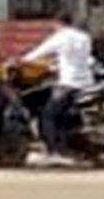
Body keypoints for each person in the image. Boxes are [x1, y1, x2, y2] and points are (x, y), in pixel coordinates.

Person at [23, 11, 94, 164]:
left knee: (47, 115)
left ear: (57, 24)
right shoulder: (84, 37)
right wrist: (56, 66)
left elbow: (38, 53)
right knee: (65, 114)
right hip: (87, 82)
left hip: (69, 83)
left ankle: (53, 150)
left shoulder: (61, 37)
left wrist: (22, 60)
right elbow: (77, 59)